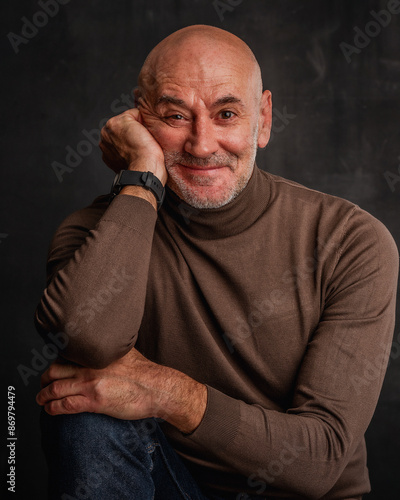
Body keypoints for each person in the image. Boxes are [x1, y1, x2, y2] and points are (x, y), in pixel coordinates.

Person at [35, 24, 398, 500]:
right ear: (139, 118)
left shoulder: (350, 240)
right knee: (85, 406)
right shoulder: (93, 233)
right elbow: (89, 341)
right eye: (174, 115)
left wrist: (165, 393)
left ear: (263, 120)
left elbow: (320, 460)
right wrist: (141, 178)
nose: (202, 144)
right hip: (169, 488)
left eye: (226, 113)